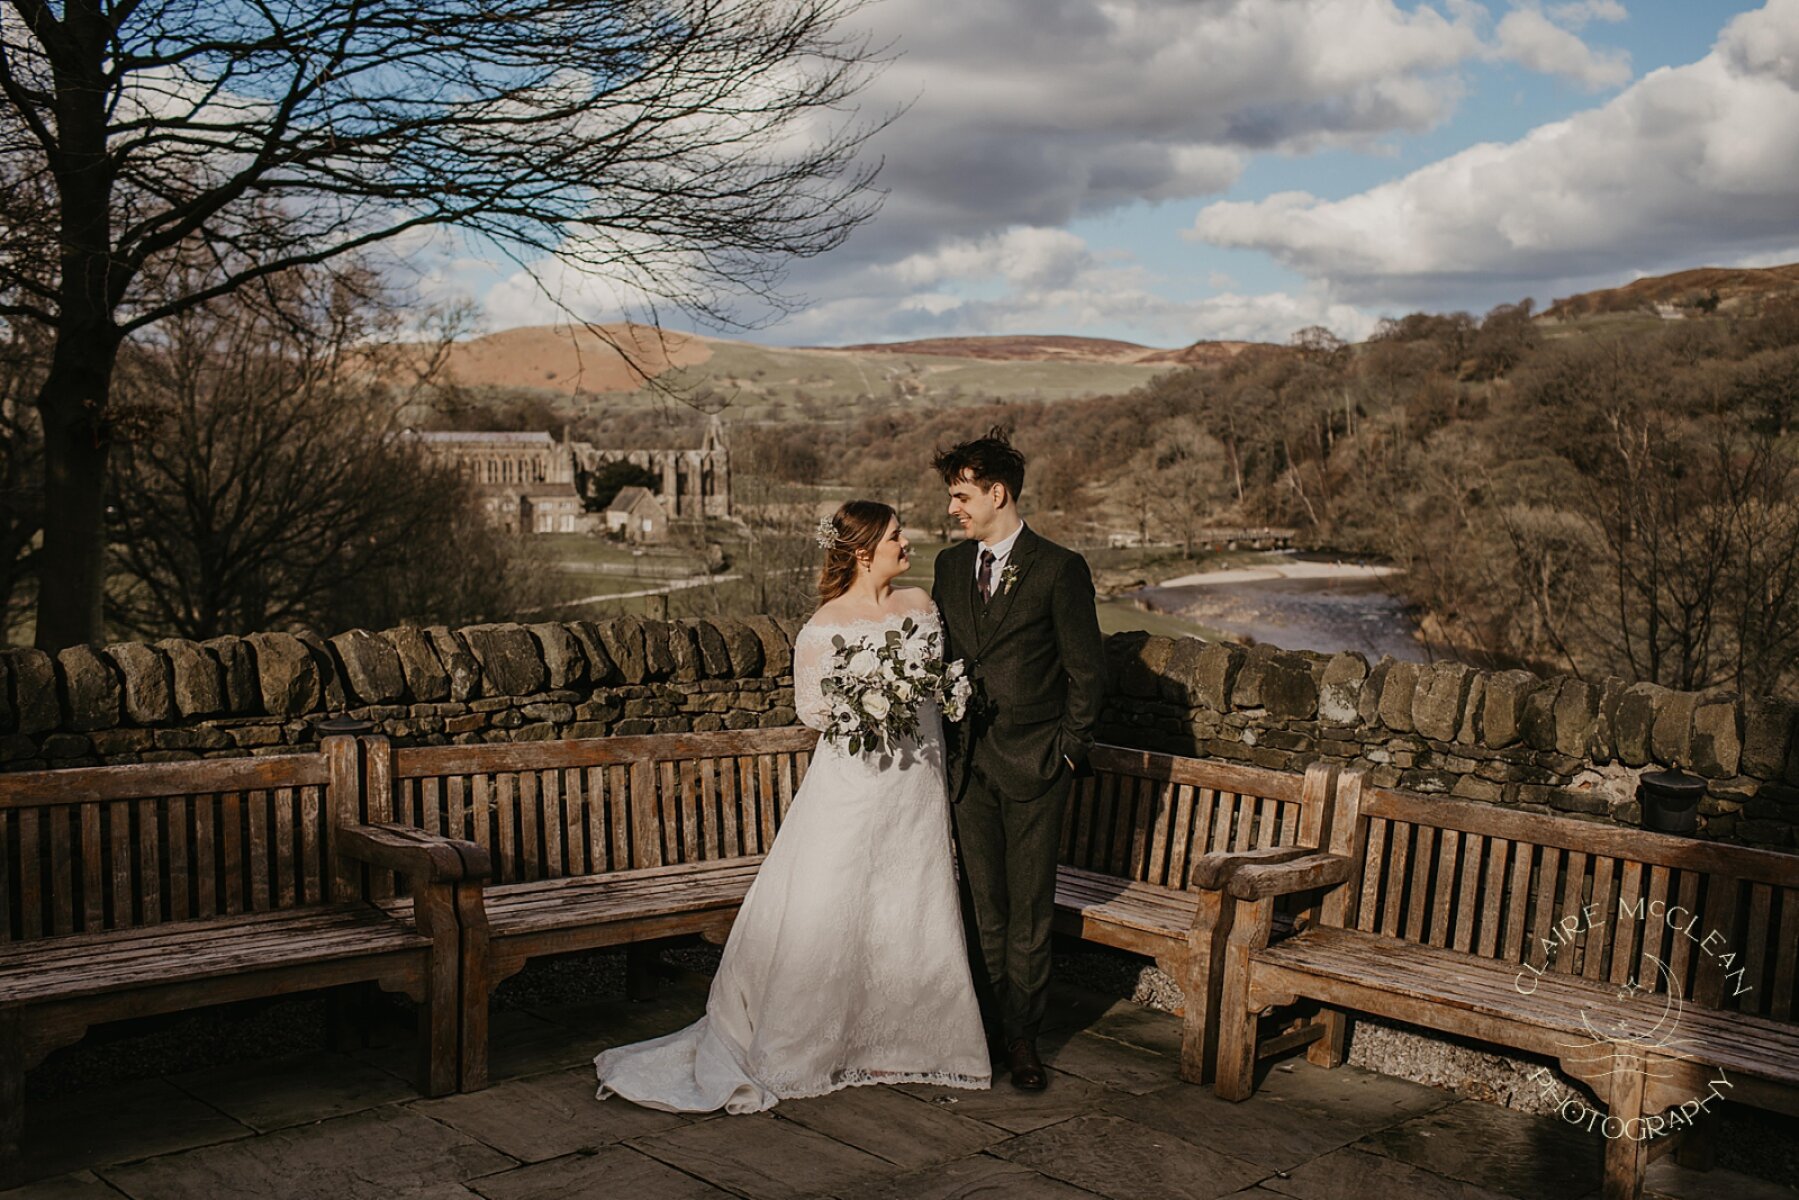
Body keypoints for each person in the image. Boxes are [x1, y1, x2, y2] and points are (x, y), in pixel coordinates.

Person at [593, 499, 992, 1113]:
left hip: (918, 783)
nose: (907, 541)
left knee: (911, 897)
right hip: (856, 784)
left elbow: (938, 680)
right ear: (863, 551)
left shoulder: (921, 606)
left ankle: (913, 1040)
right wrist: (868, 700)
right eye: (895, 535)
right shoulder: (825, 624)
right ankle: (812, 1040)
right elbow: (812, 708)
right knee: (837, 900)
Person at [930, 428, 1106, 1091]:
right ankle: (981, 1027)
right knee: (980, 904)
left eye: (960, 495)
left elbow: (1086, 675)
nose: (953, 509)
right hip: (966, 766)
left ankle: (1023, 1038)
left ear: (996, 493)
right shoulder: (949, 568)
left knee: (1029, 912)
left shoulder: (1060, 569)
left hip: (1035, 767)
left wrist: (1066, 753)